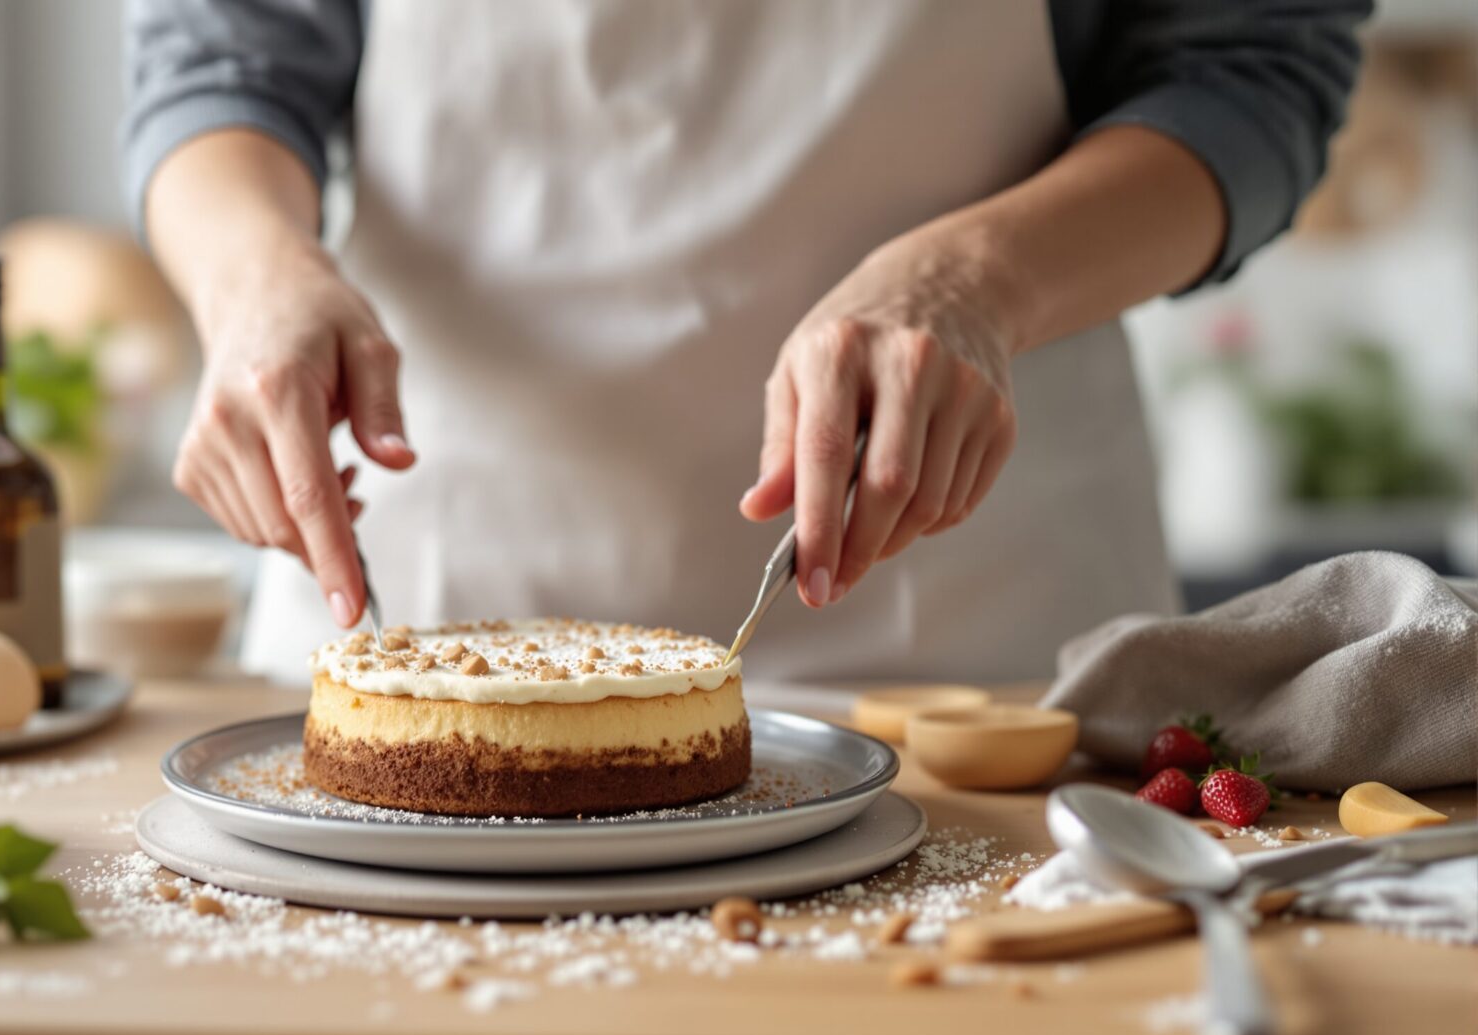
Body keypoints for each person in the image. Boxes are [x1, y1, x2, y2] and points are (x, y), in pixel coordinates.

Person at [124, 0, 1368, 683]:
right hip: (430, 582)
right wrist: (253, 282)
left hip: (975, 638)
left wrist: (975, 282)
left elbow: (1248, 70)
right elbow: (219, 58)